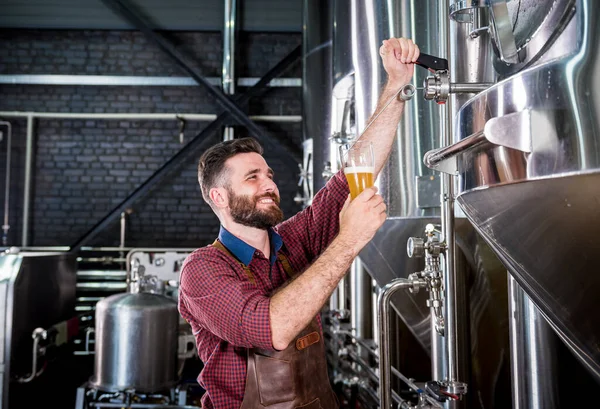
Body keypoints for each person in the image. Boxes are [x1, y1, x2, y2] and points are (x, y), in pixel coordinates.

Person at [178, 37, 420, 409]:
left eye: (269, 174)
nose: (270, 184)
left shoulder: (293, 240)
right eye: (252, 178)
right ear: (219, 198)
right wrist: (349, 239)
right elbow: (272, 329)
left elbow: (358, 169)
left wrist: (396, 83)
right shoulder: (204, 270)